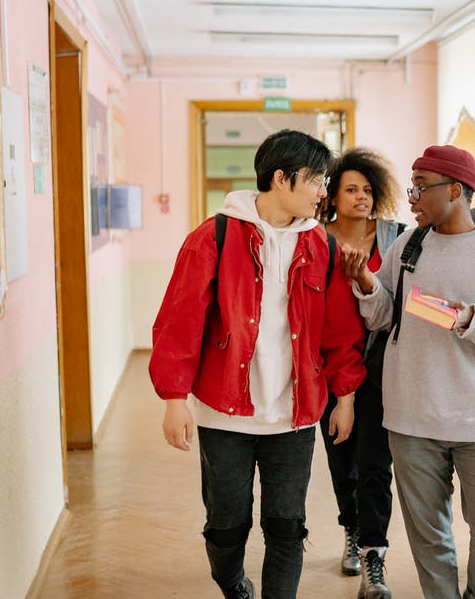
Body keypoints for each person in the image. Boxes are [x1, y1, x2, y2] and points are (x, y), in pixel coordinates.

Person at [149, 129, 367, 599]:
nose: (324, 191)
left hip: (294, 414)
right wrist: (173, 398)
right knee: (227, 524)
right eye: (316, 180)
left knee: (287, 526)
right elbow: (179, 321)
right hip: (223, 409)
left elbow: (341, 331)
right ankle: (232, 583)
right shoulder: (215, 236)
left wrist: (344, 396)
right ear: (281, 179)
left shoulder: (322, 247)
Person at [342, 144, 475, 599]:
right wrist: (368, 284)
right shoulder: (408, 246)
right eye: (411, 186)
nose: (411, 197)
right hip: (411, 416)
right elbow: (382, 317)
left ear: (456, 190)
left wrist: (469, 321)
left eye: (420, 187)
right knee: (429, 536)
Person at [317, 148, 406, 598]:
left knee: (376, 465)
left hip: (382, 369)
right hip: (330, 369)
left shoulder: (395, 237)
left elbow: (400, 306)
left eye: (368, 190)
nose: (362, 198)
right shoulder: (315, 239)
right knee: (342, 460)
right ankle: (350, 529)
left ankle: (374, 552)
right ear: (332, 195)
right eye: (351, 190)